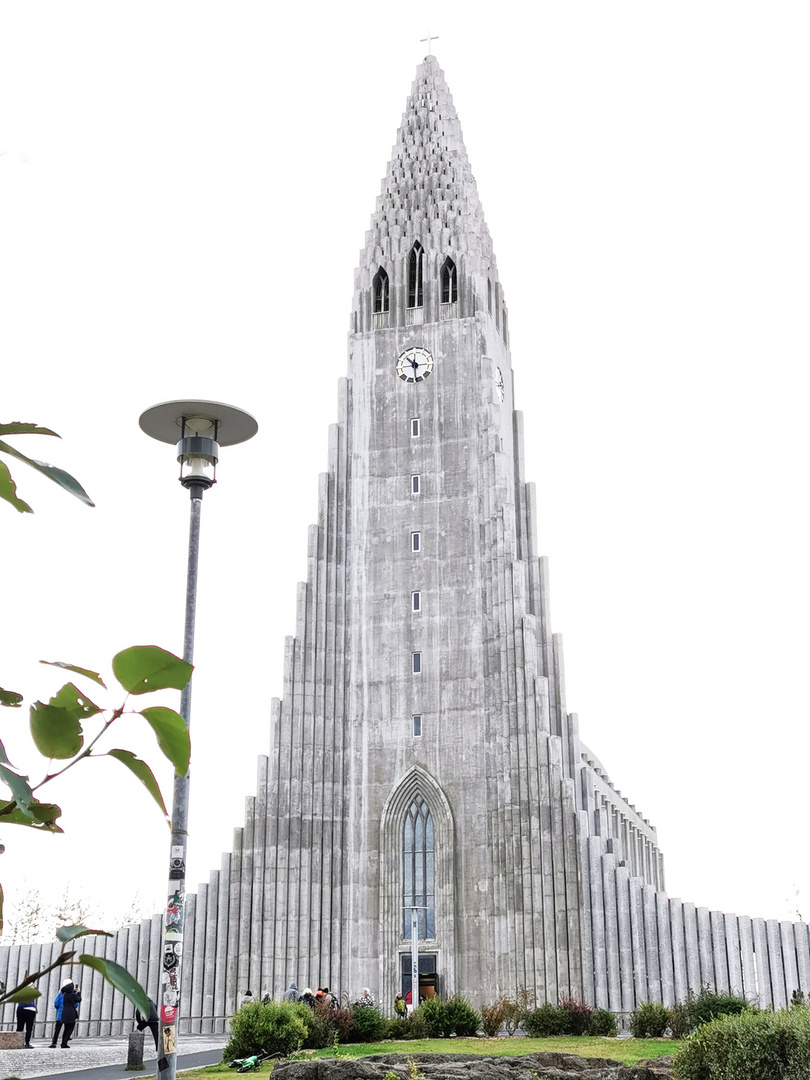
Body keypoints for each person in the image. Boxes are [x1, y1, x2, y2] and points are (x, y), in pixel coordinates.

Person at [50, 981, 81, 1048]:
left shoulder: (61, 995)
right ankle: (64, 1042)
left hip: (60, 1014)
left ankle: (54, 1043)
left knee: (57, 1030)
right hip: (70, 1013)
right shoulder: (73, 995)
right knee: (68, 1028)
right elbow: (77, 1003)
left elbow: (56, 1003)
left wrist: (59, 1009)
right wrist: (78, 992)